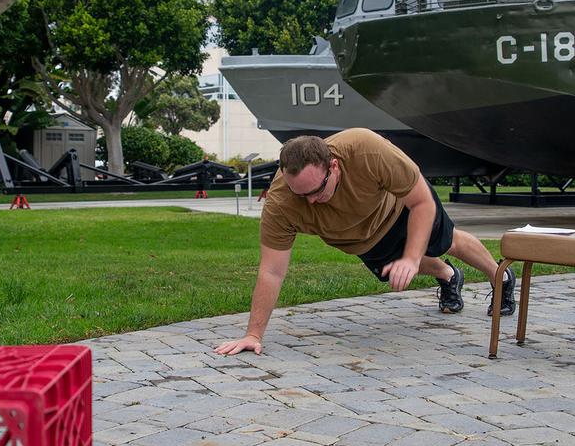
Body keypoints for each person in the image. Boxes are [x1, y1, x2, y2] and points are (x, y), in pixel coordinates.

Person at [214, 128, 516, 356]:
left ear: (333, 166)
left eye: (316, 190)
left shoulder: (365, 149)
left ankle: (499, 278)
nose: (311, 201)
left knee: (445, 243)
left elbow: (422, 202)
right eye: (300, 194)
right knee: (395, 269)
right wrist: (253, 335)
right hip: (361, 240)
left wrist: (411, 257)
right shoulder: (281, 204)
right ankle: (449, 276)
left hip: (401, 209)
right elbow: (272, 270)